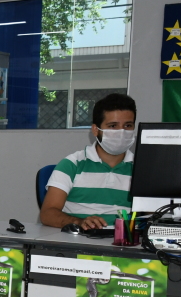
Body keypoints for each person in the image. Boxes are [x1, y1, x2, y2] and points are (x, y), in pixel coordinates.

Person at [40, 93, 136, 229]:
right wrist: (79, 222)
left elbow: (155, 216)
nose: (121, 132)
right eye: (113, 126)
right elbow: (47, 214)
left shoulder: (143, 169)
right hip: (80, 238)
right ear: (96, 130)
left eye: (128, 125)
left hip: (127, 239)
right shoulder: (71, 164)